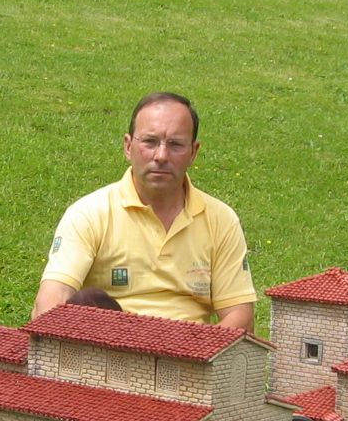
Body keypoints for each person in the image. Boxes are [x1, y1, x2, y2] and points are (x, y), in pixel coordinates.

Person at [32, 92, 255, 330]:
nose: (161, 156)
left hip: (190, 355)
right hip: (111, 352)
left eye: (175, 145)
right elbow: (49, 302)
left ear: (194, 152)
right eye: (149, 142)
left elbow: (240, 315)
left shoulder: (220, 219)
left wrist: (197, 357)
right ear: (128, 146)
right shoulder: (88, 214)